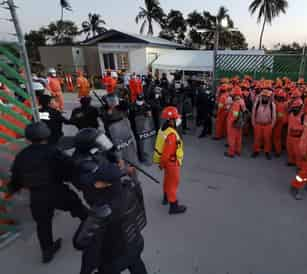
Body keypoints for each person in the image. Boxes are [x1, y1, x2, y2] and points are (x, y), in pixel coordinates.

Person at [8, 122, 87, 263]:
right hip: (56, 190)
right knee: (78, 207)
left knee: (43, 224)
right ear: (46, 134)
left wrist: (14, 189)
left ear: (28, 138)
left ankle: (47, 251)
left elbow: (16, 177)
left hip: (36, 196)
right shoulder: (52, 151)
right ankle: (90, 231)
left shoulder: (22, 155)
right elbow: (69, 166)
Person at [70, 129, 147, 274]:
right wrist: (120, 166)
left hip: (112, 260)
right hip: (134, 244)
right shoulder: (128, 192)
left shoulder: (101, 213)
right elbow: (113, 172)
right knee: (137, 264)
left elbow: (79, 243)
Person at [153, 106, 187, 214]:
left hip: (167, 162)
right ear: (171, 120)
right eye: (176, 118)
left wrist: (162, 164)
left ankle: (166, 198)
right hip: (171, 162)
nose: (178, 120)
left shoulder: (164, 128)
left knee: (167, 180)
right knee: (173, 183)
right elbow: (167, 154)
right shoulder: (171, 135)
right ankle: (174, 206)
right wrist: (162, 164)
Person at [251, 89, 276, 160]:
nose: (265, 97)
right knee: (257, 138)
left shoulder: (272, 105)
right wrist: (253, 123)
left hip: (268, 125)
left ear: (269, 97)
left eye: (266, 96)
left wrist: (272, 125)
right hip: (258, 124)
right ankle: (256, 151)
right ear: (261, 96)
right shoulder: (257, 103)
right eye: (264, 96)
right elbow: (253, 114)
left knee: (267, 139)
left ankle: (267, 152)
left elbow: (274, 116)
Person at [225, 87, 245, 158]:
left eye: (233, 94)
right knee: (238, 138)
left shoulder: (236, 103)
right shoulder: (242, 101)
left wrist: (232, 122)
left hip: (233, 123)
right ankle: (238, 151)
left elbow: (235, 115)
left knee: (232, 138)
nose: (232, 96)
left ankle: (231, 153)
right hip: (239, 123)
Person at [286, 99, 306, 166]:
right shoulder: (291, 114)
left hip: (298, 137)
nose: (295, 108)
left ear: (300, 107)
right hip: (289, 136)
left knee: (298, 152)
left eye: (297, 107)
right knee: (290, 150)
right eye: (294, 107)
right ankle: (291, 161)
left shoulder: (304, 116)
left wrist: (297, 129)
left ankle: (299, 165)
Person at [273, 90, 288, 157]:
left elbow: (280, 116)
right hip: (282, 122)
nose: (280, 98)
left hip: (278, 123)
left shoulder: (280, 105)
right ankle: (279, 148)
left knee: (277, 137)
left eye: (280, 97)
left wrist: (274, 122)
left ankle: (278, 151)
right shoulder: (285, 103)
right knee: (279, 136)